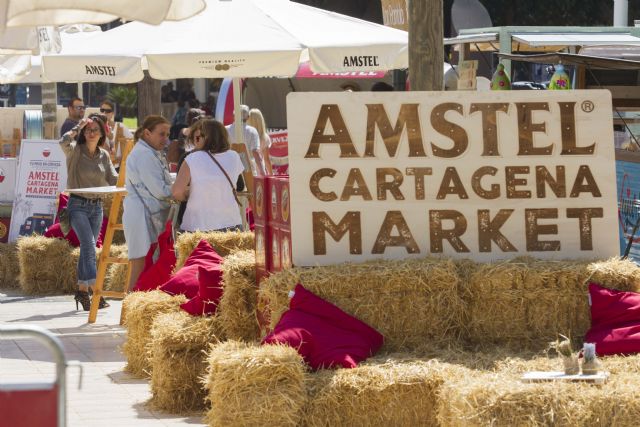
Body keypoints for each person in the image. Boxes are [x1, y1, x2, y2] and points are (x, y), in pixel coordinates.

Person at [59, 113, 118, 311]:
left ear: (101, 133)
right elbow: (63, 141)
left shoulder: (104, 155)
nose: (91, 133)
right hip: (77, 205)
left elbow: (114, 179)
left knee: (87, 250)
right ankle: (96, 290)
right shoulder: (75, 151)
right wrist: (78, 125)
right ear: (83, 132)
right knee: (89, 246)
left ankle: (82, 291)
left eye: (95, 129)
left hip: (96, 207)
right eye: (88, 129)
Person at [123, 115, 174, 290]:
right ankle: (129, 309)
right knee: (140, 263)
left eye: (167, 134)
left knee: (144, 263)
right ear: (147, 133)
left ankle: (131, 309)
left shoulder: (150, 152)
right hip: (141, 215)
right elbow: (160, 190)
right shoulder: (145, 154)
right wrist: (181, 191)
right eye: (161, 134)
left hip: (144, 213)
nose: (165, 139)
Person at [172, 119, 244, 232]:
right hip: (231, 225)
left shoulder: (192, 158)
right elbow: (239, 186)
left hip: (198, 226)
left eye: (197, 138)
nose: (194, 142)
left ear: (206, 138)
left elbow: (176, 192)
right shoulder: (234, 156)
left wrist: (190, 194)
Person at [226, 105, 264, 175]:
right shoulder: (252, 131)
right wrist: (262, 172)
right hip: (248, 170)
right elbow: (255, 152)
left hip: (229, 169)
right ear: (248, 117)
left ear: (234, 116)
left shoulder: (225, 130)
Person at [246, 108, 273, 175]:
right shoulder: (264, 137)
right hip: (260, 172)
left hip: (246, 171)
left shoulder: (244, 135)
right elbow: (266, 160)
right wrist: (271, 175)